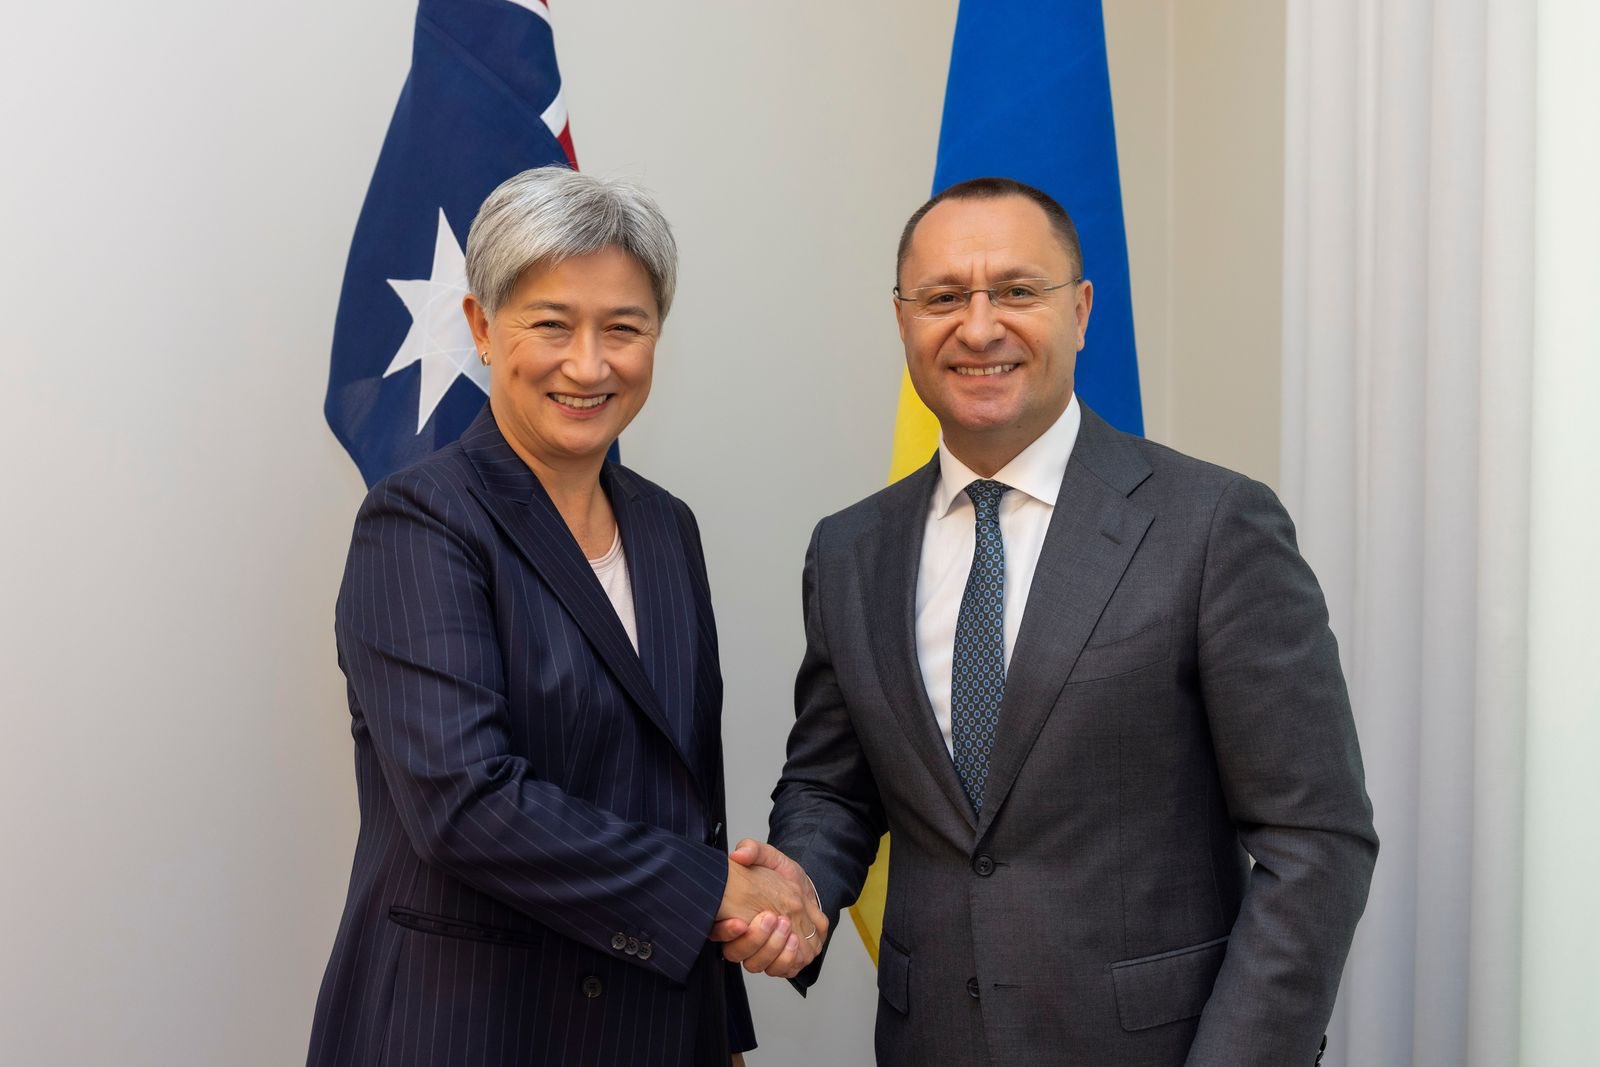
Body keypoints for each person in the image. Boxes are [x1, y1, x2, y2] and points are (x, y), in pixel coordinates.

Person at [715, 177, 1377, 1065]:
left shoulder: (1213, 524)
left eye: (1018, 291)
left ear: (1082, 309)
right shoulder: (850, 548)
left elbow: (1315, 837)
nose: (979, 326)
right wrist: (795, 890)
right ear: (903, 319)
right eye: (943, 297)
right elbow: (834, 785)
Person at [307, 166, 823, 1067]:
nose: (590, 364)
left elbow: (686, 798)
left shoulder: (666, 526)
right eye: (552, 325)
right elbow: (465, 803)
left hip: (651, 1026)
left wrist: (720, 1034)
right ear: (480, 327)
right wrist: (715, 894)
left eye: (624, 328)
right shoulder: (419, 522)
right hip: (465, 1029)